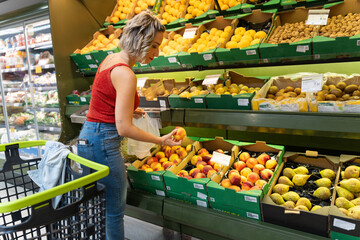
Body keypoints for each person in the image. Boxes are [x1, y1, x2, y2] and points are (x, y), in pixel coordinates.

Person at [77, 11, 181, 240]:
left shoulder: (111, 59)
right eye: (154, 46)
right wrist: (160, 140)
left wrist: (128, 109)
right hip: (103, 144)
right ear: (140, 40)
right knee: (115, 211)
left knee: (100, 207)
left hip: (90, 138)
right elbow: (123, 129)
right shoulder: (126, 74)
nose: (157, 52)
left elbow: (104, 99)